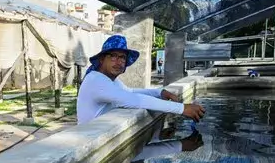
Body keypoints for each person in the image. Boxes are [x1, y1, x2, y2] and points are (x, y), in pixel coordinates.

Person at [76, 35, 205, 125]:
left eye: (122, 57)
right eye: (113, 56)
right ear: (101, 59)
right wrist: (181, 108)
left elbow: (130, 92)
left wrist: (160, 92)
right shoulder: (96, 80)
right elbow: (133, 100)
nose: (119, 61)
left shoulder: (110, 80)